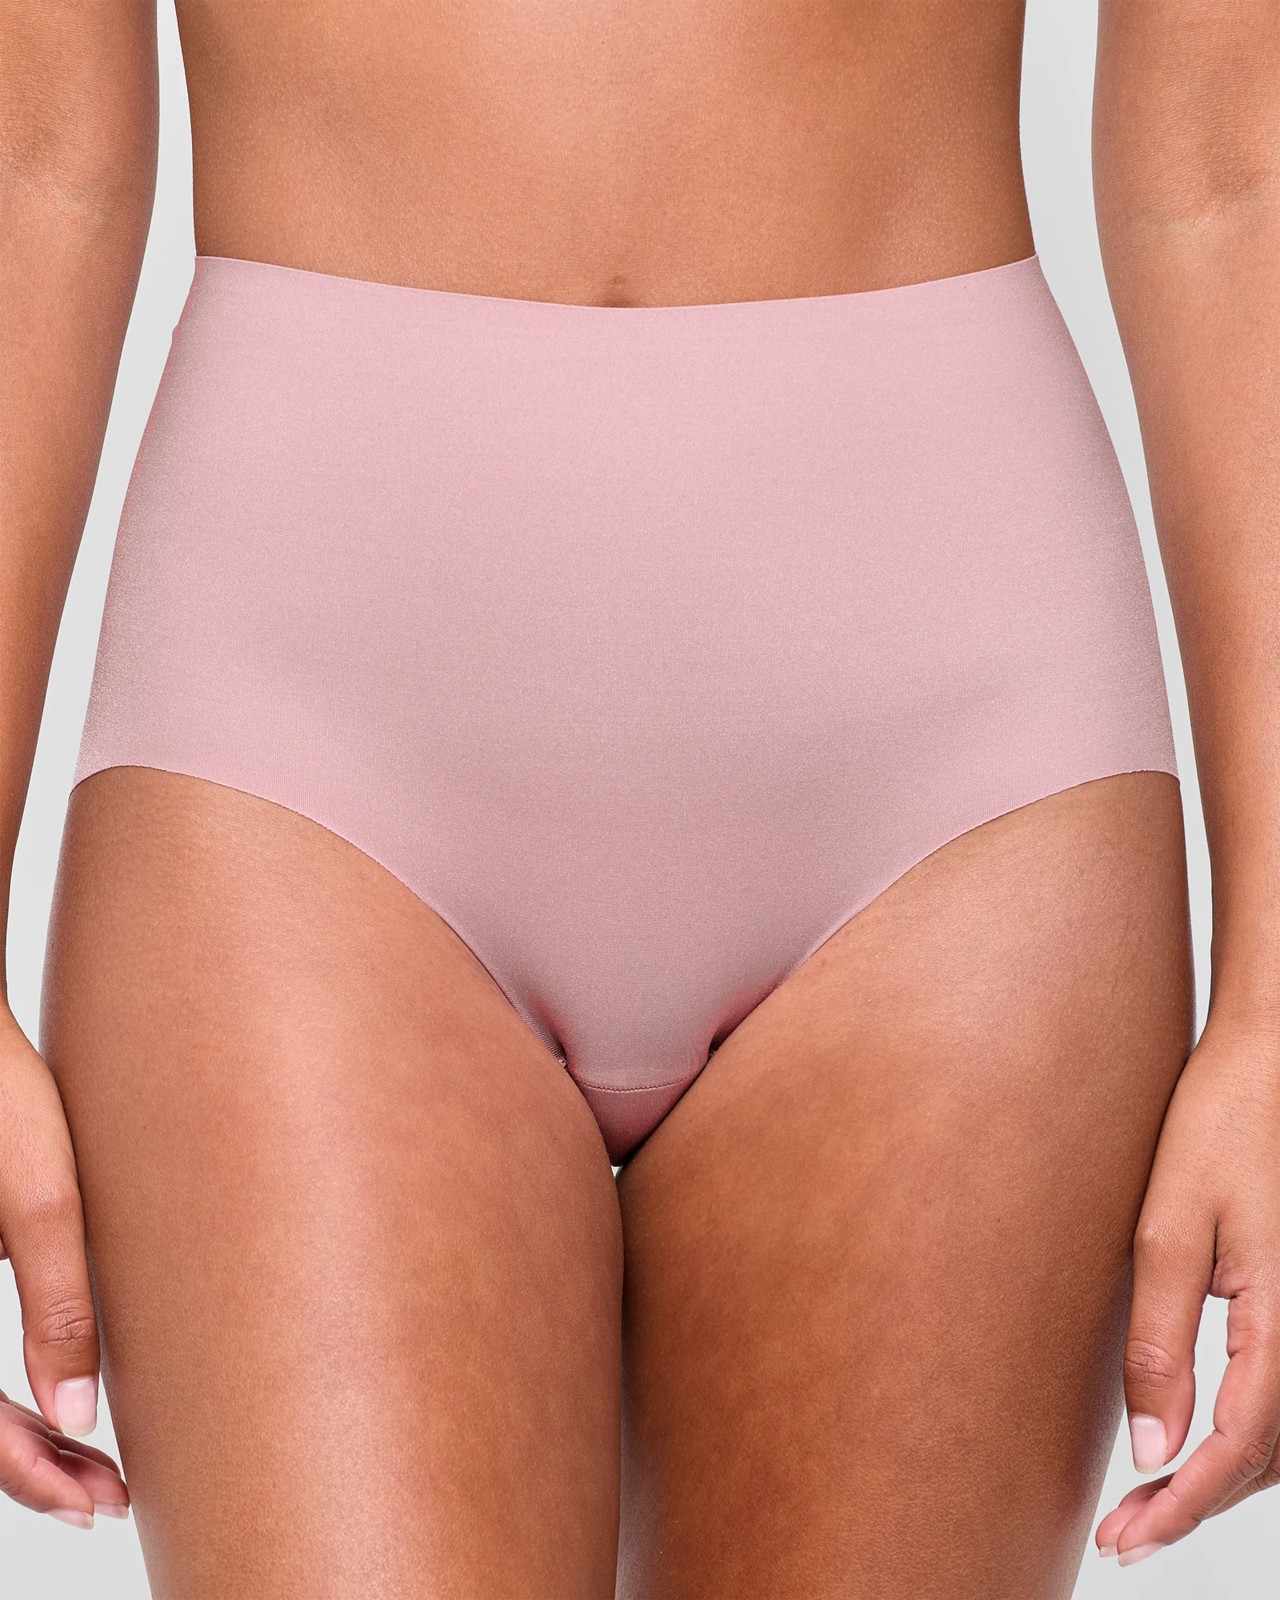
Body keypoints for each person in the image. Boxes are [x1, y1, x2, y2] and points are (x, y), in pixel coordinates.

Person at [2, 2, 1278, 1595]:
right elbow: (33, 160)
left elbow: (1230, 173)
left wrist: (1276, 1002)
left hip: (956, 764)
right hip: (297, 744)